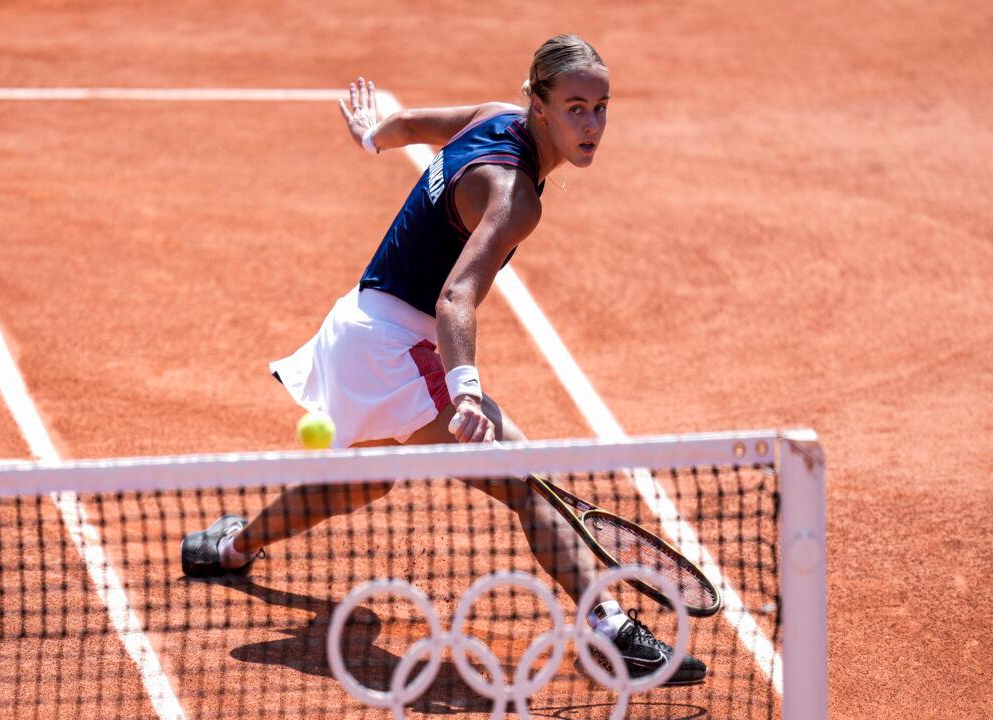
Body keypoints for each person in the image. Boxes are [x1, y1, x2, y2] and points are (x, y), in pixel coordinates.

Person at [182, 34, 706, 685]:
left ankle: (233, 547)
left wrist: (376, 135)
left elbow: (407, 125)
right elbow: (457, 297)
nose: (591, 124)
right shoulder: (515, 196)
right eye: (575, 107)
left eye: (601, 107)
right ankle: (612, 630)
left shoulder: (491, 114)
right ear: (538, 104)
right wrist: (463, 394)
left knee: (360, 480)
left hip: (361, 322)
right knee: (526, 481)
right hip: (396, 349)